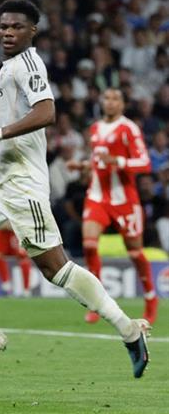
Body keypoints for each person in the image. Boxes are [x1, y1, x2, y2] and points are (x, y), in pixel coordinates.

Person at [0, 0, 150, 379]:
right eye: (4, 26)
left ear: (33, 31)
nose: (8, 32)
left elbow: (47, 111)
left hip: (23, 184)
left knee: (55, 268)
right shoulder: (7, 67)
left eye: (17, 27)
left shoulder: (30, 65)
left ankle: (129, 330)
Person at [67, 88, 158, 324]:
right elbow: (98, 160)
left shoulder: (129, 128)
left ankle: (150, 298)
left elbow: (145, 163)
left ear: (123, 104)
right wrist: (83, 165)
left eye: (115, 99)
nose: (110, 102)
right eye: (106, 98)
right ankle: (96, 302)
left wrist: (118, 161)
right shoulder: (95, 128)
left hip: (123, 199)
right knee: (89, 245)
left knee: (135, 252)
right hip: (97, 196)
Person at [0, 226, 31, 296]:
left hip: (16, 233)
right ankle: (6, 283)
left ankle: (26, 289)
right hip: (3, 234)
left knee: (24, 259)